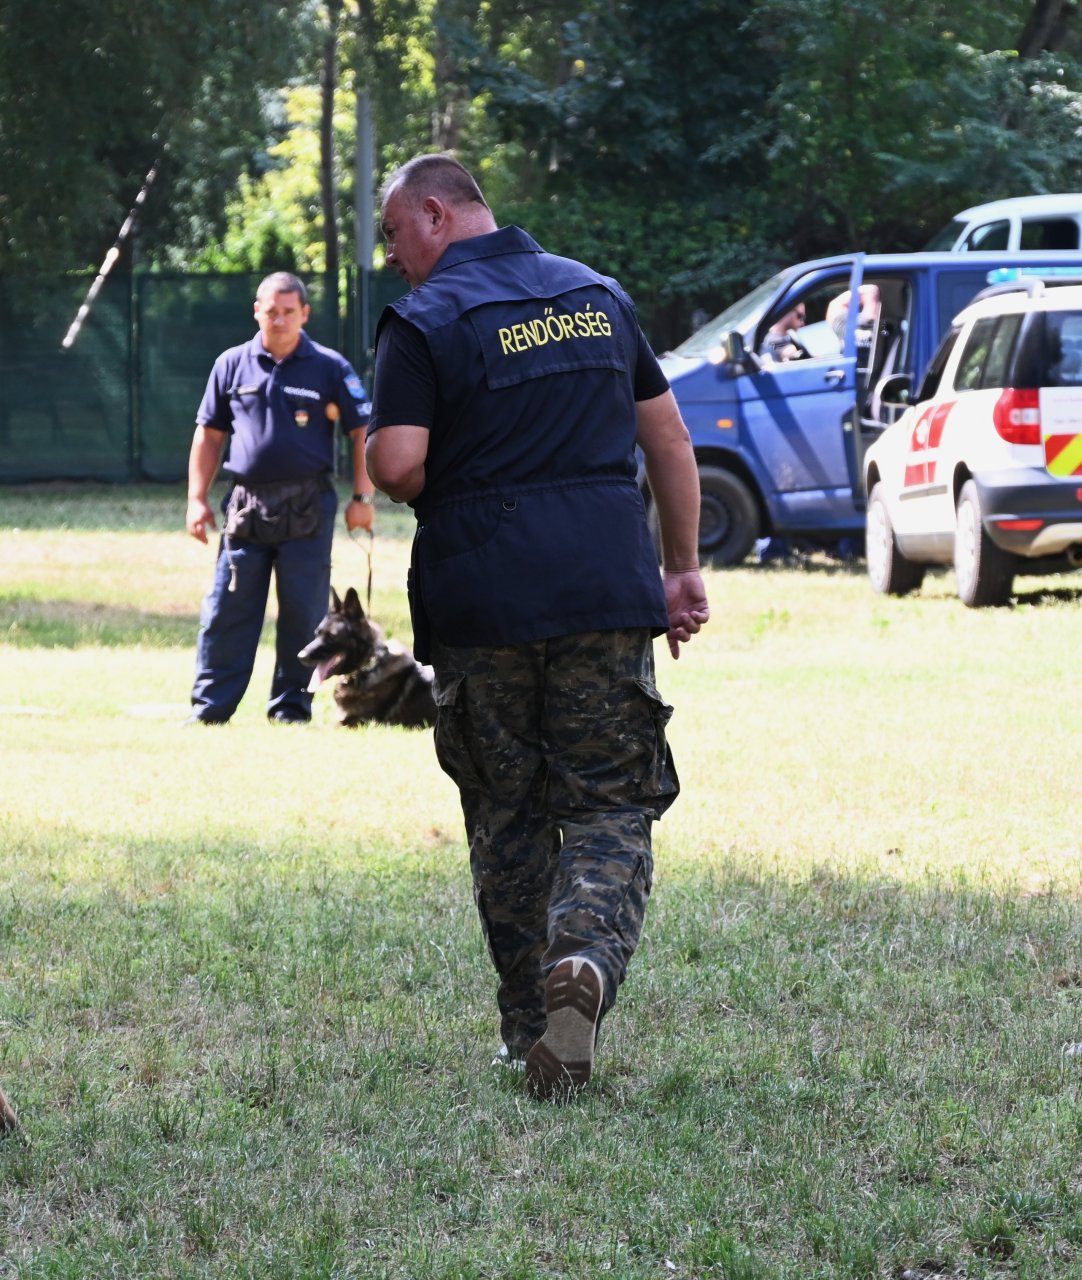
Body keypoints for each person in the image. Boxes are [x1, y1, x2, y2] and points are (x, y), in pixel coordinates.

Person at [364, 154, 710, 1099]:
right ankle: (585, 959)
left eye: (393, 232)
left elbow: (396, 465)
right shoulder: (598, 298)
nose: (391, 254)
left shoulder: (424, 320)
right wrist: (681, 567)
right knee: (609, 800)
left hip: (484, 600)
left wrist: (429, 455)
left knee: (505, 813)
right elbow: (669, 438)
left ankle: (530, 1031)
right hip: (603, 590)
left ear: (436, 214)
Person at [185, 272, 375, 724]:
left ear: (304, 314)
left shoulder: (329, 367)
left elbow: (362, 430)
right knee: (227, 609)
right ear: (257, 311)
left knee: (304, 613)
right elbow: (209, 435)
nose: (280, 320)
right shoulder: (231, 364)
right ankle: (211, 710)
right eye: (271, 311)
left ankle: (291, 708)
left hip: (308, 504)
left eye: (289, 312)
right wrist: (196, 498)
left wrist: (363, 497)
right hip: (247, 506)